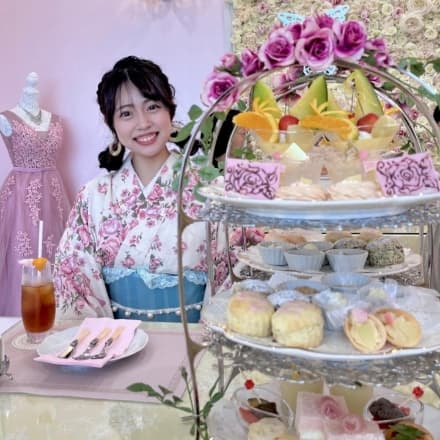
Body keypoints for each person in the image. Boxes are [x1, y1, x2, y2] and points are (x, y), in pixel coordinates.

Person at [54, 56, 227, 322]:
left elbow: (231, 280)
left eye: (153, 107)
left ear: (170, 111)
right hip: (115, 348)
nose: (143, 122)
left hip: (193, 347)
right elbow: (75, 279)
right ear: (112, 124)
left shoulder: (209, 191)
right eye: (126, 113)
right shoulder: (94, 196)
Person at [0, 72, 71, 316]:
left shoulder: (56, 120)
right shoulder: (6, 118)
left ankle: (55, 314)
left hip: (53, 193)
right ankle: (22, 318)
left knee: (55, 249)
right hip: (20, 194)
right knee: (22, 251)